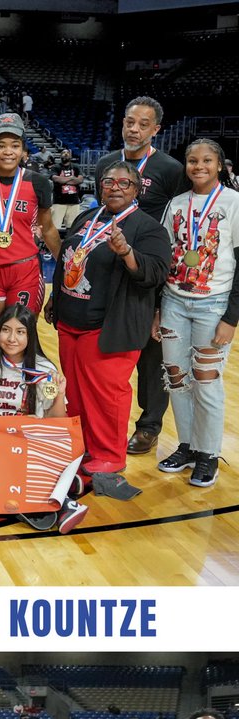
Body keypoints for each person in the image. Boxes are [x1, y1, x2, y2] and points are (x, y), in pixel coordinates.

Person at [47, 159, 172, 500]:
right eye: (109, 182)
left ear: (137, 190)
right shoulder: (88, 217)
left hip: (108, 326)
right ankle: (84, 446)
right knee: (77, 394)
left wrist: (127, 252)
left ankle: (109, 455)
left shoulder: (148, 228)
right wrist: (56, 299)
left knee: (106, 396)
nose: (115, 187)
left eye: (124, 183)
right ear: (100, 186)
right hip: (71, 322)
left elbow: (155, 273)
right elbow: (69, 259)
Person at [94, 97, 187, 456]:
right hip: (109, 269)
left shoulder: (170, 169)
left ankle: (149, 426)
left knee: (151, 354)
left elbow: (180, 222)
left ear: (156, 130)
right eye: (129, 122)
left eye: (143, 124)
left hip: (150, 268)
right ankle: (102, 421)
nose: (134, 129)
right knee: (105, 349)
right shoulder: (105, 163)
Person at [156, 137, 239, 488]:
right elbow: (164, 257)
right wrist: (157, 309)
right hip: (173, 302)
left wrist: (231, 318)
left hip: (214, 304)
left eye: (207, 160)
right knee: (177, 378)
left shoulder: (234, 202)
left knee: (206, 382)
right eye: (193, 160)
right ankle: (187, 446)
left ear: (219, 164)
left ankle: (208, 453)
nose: (199, 166)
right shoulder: (176, 204)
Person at [0, 303, 86, 534]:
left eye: (20, 332)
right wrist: (11, 426)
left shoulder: (44, 369)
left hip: (29, 441)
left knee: (61, 443)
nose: (12, 338)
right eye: (6, 330)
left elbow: (56, 422)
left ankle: (60, 498)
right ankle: (60, 493)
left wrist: (60, 395)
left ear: (30, 336)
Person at [0, 114, 60, 354]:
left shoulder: (39, 183)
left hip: (25, 272)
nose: (8, 152)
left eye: (15, 145)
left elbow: (48, 228)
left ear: (23, 150)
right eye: (1, 145)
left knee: (19, 347)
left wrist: (65, 267)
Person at [50, 149, 84, 232]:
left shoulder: (76, 167)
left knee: (72, 228)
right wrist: (72, 178)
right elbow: (56, 179)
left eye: (67, 153)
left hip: (74, 202)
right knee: (55, 227)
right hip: (59, 202)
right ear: (60, 156)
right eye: (63, 153)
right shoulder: (55, 167)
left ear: (71, 156)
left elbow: (80, 180)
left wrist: (63, 180)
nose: (65, 154)